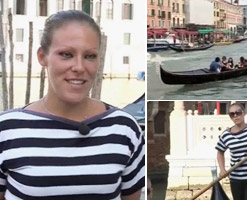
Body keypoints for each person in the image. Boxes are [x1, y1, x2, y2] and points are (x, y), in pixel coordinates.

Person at [0, 10, 145, 199]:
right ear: (42, 56)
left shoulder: (125, 128)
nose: (79, 67)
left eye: (90, 56)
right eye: (66, 54)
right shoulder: (7, 129)